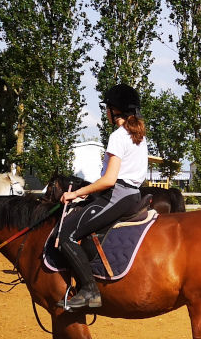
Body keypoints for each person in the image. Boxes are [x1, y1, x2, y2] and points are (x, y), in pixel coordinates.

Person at [56, 84, 148, 310]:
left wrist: (74, 193)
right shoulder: (138, 135)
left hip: (117, 195)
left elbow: (109, 180)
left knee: (65, 233)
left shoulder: (119, 135)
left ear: (114, 110)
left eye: (106, 108)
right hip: (132, 194)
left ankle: (89, 290)